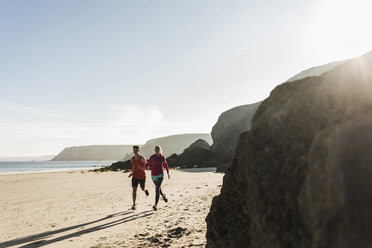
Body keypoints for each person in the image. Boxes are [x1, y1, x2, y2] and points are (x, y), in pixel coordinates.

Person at [147, 145, 170, 211]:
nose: (157, 149)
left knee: (157, 188)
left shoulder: (162, 157)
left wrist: (168, 173)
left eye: (158, 148)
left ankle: (155, 204)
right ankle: (163, 196)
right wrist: (147, 166)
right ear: (154, 150)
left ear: (160, 150)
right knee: (158, 189)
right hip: (153, 175)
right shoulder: (152, 157)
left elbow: (165, 164)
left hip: (160, 175)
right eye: (156, 148)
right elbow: (148, 164)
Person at [128, 145, 149, 210]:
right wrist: (132, 172)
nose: (134, 152)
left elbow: (147, 167)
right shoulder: (132, 159)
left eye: (136, 150)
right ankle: (134, 204)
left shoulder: (142, 158)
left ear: (138, 150)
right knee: (134, 189)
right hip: (135, 176)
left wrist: (142, 168)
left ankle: (146, 189)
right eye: (134, 150)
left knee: (142, 188)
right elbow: (133, 167)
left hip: (142, 176)